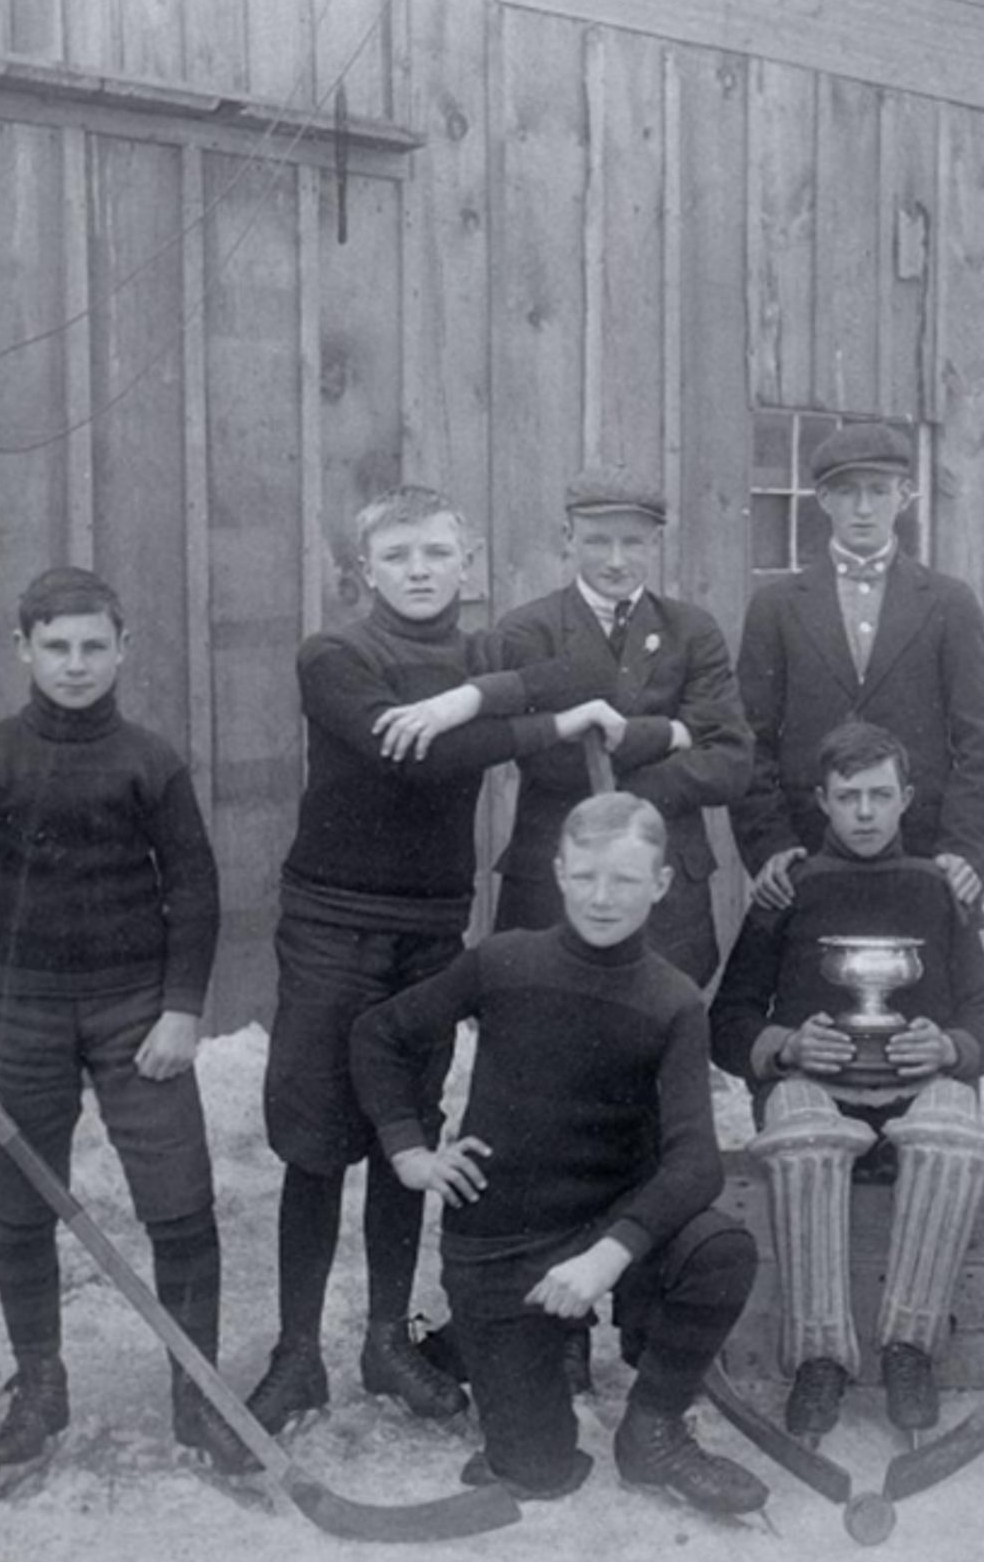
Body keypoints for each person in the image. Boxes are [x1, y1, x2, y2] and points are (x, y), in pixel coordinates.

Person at [247, 485, 623, 1435]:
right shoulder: (335, 654)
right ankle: (296, 1355)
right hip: (332, 923)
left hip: (433, 925)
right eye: (399, 554)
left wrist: (468, 693)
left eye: (436, 553)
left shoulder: (486, 650)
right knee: (318, 1139)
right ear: (364, 570)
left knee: (404, 1134)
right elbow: (410, 758)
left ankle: (385, 1339)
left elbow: (583, 658)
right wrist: (544, 722)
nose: (419, 570)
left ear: (471, 561)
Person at [0, 566, 253, 1473]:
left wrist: (182, 1009)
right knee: (20, 1206)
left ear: (122, 649)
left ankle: (200, 1398)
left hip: (134, 1009)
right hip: (19, 1010)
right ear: (23, 649)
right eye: (56, 647)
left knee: (181, 1203)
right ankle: (40, 1387)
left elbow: (195, 888)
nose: (75, 664)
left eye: (92, 647)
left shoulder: (150, 760)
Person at [350, 794, 768, 1514]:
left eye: (627, 880)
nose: (603, 898)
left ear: (663, 883)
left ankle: (654, 1431)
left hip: (605, 1228)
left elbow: (696, 1160)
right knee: (540, 1472)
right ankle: (466, 1341)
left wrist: (608, 1254)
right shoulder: (503, 962)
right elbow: (378, 1033)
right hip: (501, 1238)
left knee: (722, 1248)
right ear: (558, 874)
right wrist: (410, 1154)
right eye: (586, 877)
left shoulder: (673, 1002)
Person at [710, 720, 984, 1437]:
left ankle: (910, 1344)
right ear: (822, 800)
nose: (867, 812)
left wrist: (950, 1046)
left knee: (952, 1130)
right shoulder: (786, 890)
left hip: (917, 1081)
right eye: (850, 797)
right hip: (815, 1083)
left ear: (908, 797)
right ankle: (820, 1355)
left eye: (881, 794)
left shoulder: (939, 887)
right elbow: (727, 1022)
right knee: (804, 1133)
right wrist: (785, 1046)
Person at [492, 466, 752, 987]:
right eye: (597, 541)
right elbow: (549, 760)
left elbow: (730, 762)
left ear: (656, 542)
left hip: (667, 884)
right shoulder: (528, 630)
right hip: (555, 880)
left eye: (632, 542)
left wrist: (627, 751)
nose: (615, 560)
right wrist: (672, 734)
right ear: (568, 539)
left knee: (660, 1025)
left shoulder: (690, 630)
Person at [733, 422, 984, 915]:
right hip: (805, 862)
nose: (862, 508)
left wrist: (963, 854)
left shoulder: (950, 603)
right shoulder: (775, 607)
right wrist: (770, 849)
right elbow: (751, 742)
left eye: (878, 491)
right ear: (823, 499)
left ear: (904, 496)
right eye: (847, 492)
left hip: (923, 861)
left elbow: (979, 746)